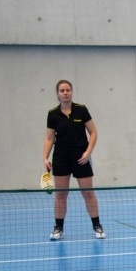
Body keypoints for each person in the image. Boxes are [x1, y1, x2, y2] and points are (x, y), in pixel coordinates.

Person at [43, 79, 105, 240]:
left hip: (80, 157)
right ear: (57, 94)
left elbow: (93, 132)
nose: (65, 93)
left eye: (68, 90)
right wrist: (45, 157)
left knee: (88, 193)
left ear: (71, 92)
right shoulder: (52, 114)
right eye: (62, 91)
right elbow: (49, 138)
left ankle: (97, 226)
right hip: (61, 158)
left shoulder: (81, 110)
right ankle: (58, 228)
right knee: (60, 195)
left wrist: (88, 152)